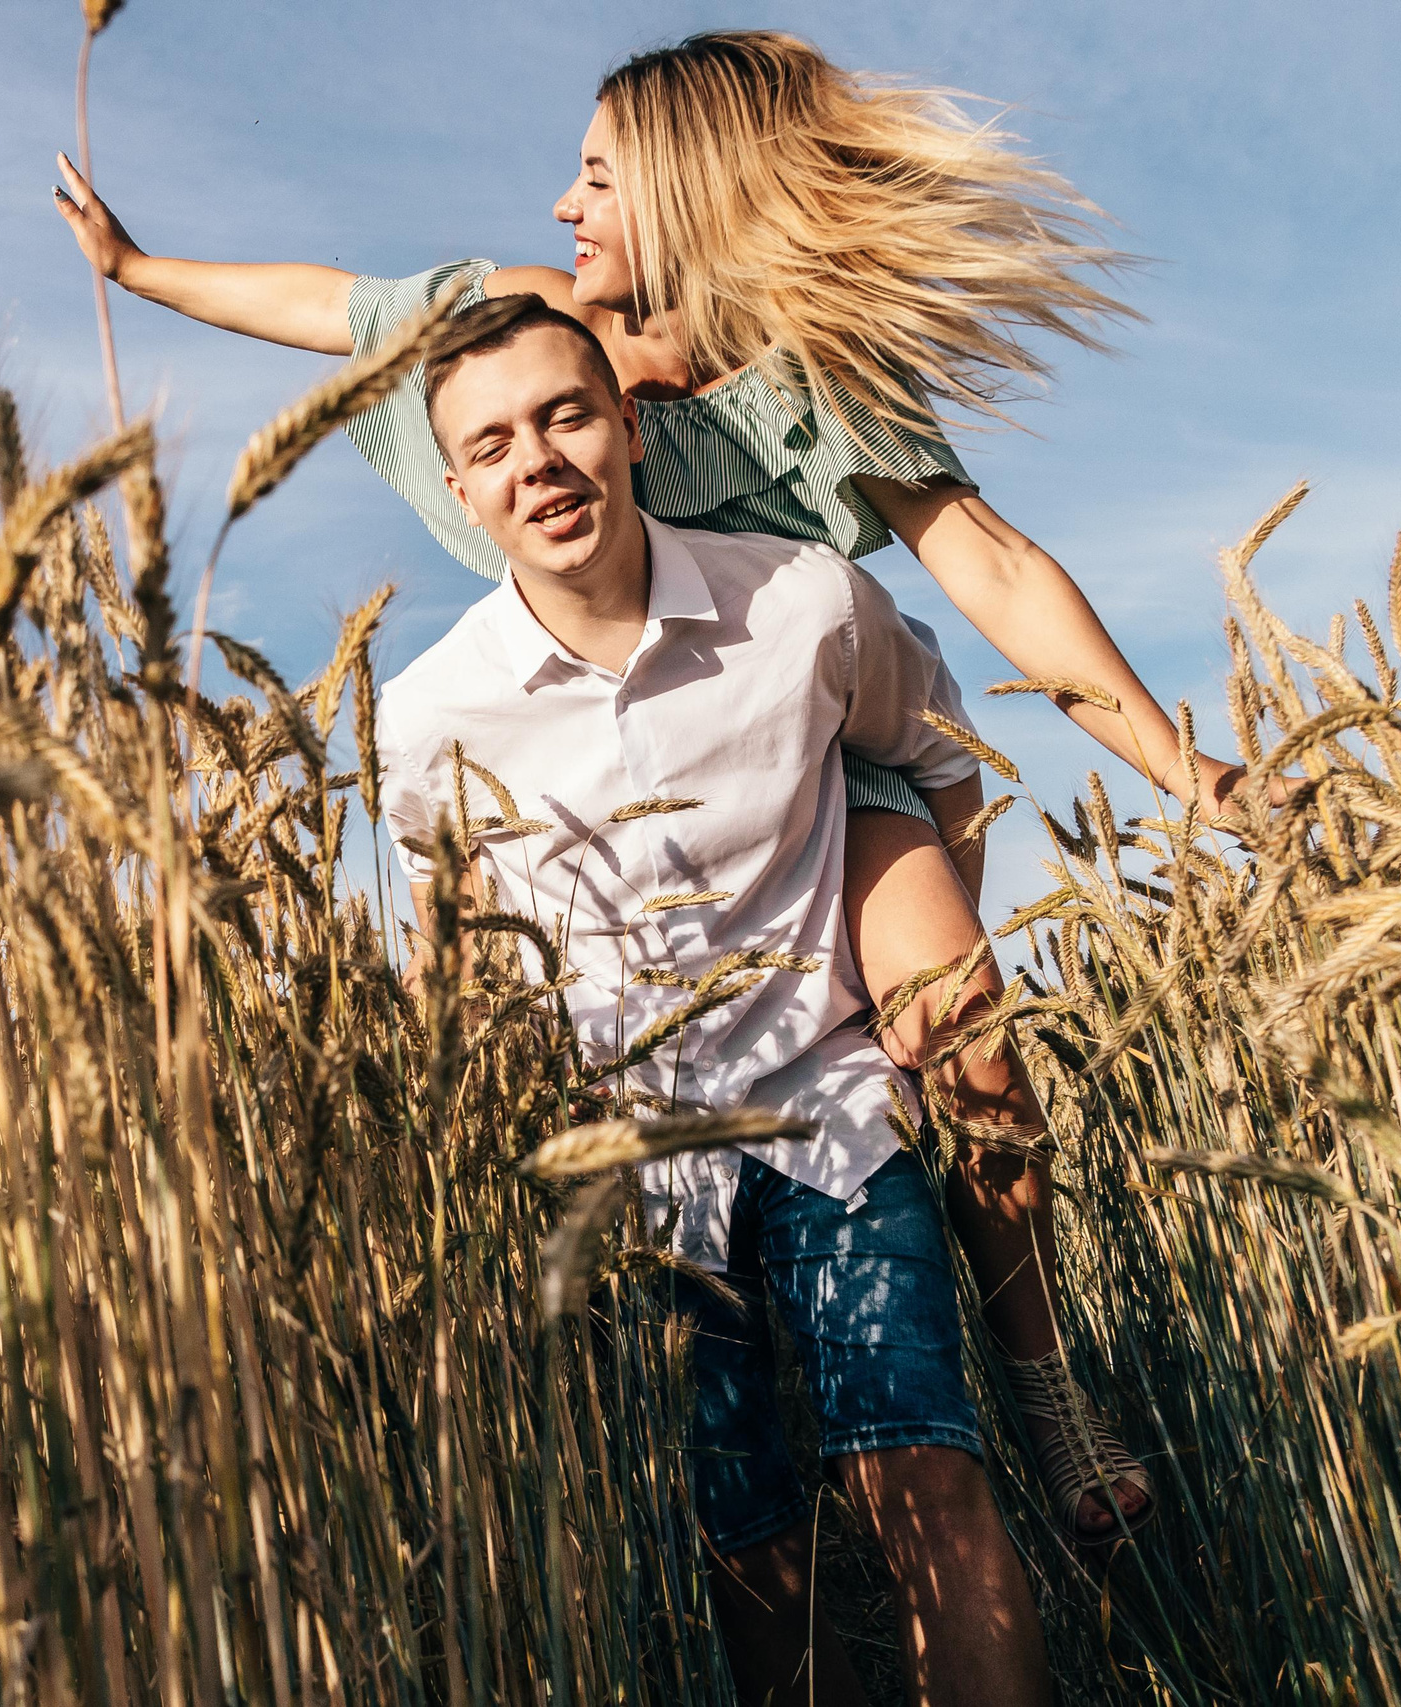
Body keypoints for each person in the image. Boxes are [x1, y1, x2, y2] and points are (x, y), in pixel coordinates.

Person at [54, 28, 1172, 1541]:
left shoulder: (818, 384)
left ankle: (1039, 1381)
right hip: (584, 772)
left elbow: (994, 567)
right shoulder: (517, 335)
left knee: (958, 1035)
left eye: (597, 178)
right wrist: (137, 272)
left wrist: (1184, 760)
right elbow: (337, 307)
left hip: (814, 764)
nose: (564, 206)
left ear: (688, 195)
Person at [381, 292, 1052, 1707]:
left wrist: (912, 944)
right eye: (494, 444)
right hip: (636, 1187)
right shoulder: (433, 715)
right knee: (752, 1555)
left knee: (923, 1483)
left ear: (629, 427)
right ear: (459, 491)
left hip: (833, 1121)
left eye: (566, 416)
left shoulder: (798, 602)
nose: (540, 461)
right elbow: (461, 968)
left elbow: (937, 754)